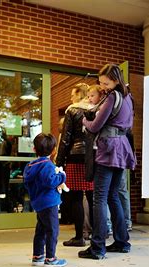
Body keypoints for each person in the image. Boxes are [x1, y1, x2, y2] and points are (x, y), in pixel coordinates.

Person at [79, 64, 136, 260]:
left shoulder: (112, 97)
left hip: (107, 149)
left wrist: (84, 121)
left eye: (106, 82)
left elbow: (95, 126)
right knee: (113, 196)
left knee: (100, 198)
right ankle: (122, 241)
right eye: (101, 83)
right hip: (122, 149)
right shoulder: (128, 97)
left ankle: (97, 247)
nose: (102, 86)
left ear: (115, 80)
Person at [56, 83, 94, 247]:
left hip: (75, 156)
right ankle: (96, 235)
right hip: (94, 156)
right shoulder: (96, 108)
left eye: (72, 94)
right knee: (94, 198)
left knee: (76, 198)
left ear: (79, 94)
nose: (70, 98)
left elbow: (66, 137)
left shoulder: (72, 110)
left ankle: (79, 236)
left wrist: (59, 160)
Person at [24, 133, 68, 267]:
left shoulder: (30, 166)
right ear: (54, 150)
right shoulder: (47, 165)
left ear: (34, 149)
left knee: (41, 229)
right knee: (52, 230)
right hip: (50, 203)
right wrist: (61, 176)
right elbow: (50, 181)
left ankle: (37, 256)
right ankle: (51, 258)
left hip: (38, 203)